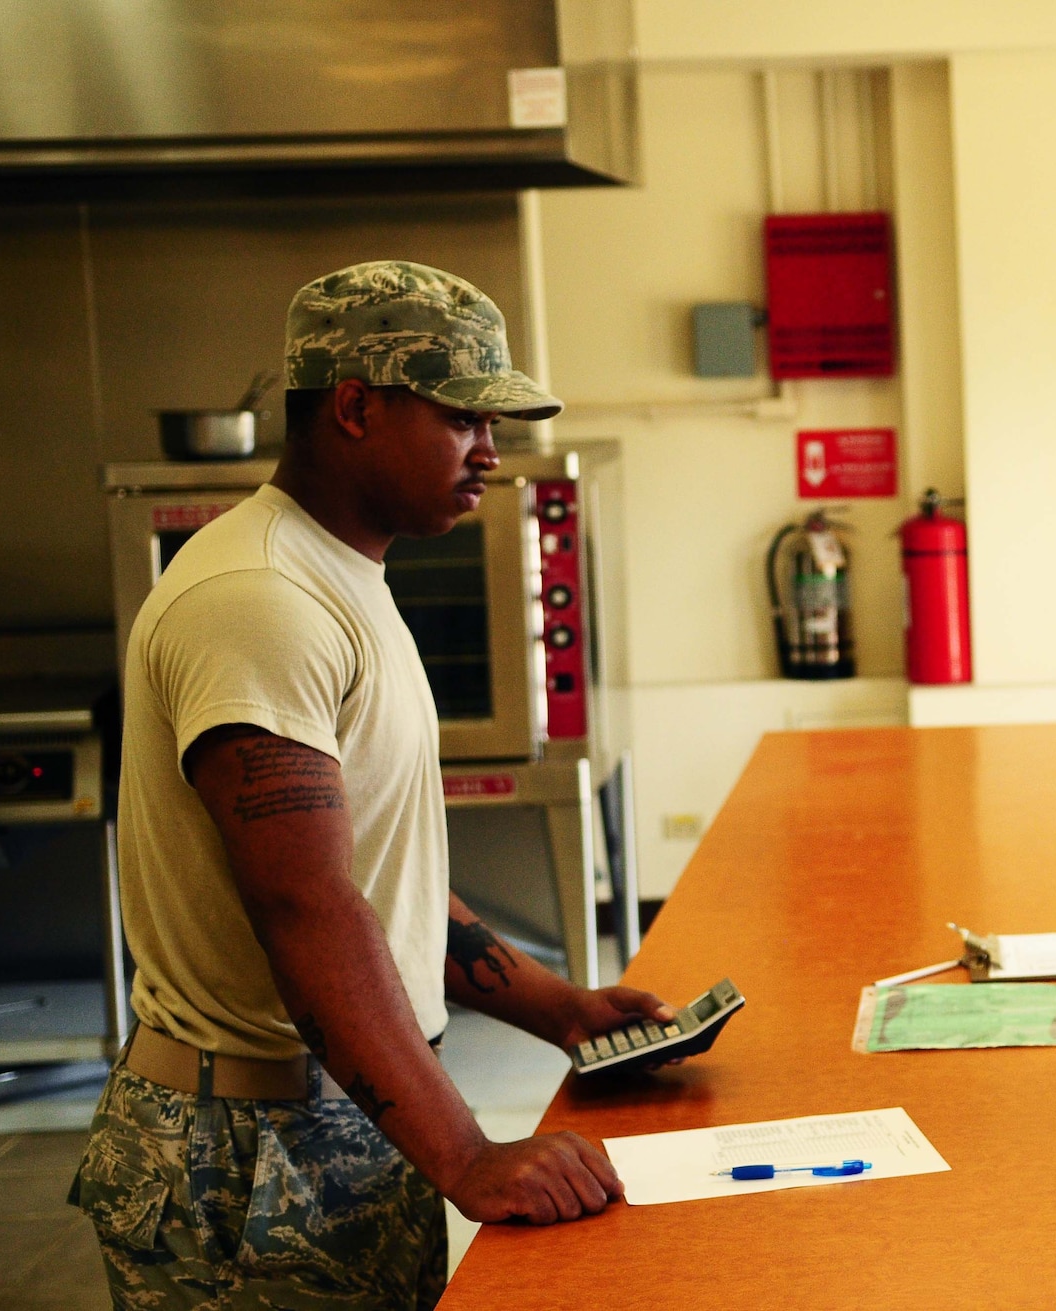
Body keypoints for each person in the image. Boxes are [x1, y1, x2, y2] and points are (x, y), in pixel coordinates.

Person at [71, 260, 674, 1309]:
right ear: (354, 405)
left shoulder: (340, 574)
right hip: (252, 1150)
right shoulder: (260, 597)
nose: (492, 451)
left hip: (346, 1112)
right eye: (460, 418)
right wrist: (469, 1155)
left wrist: (563, 1010)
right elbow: (302, 906)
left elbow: (364, 881)